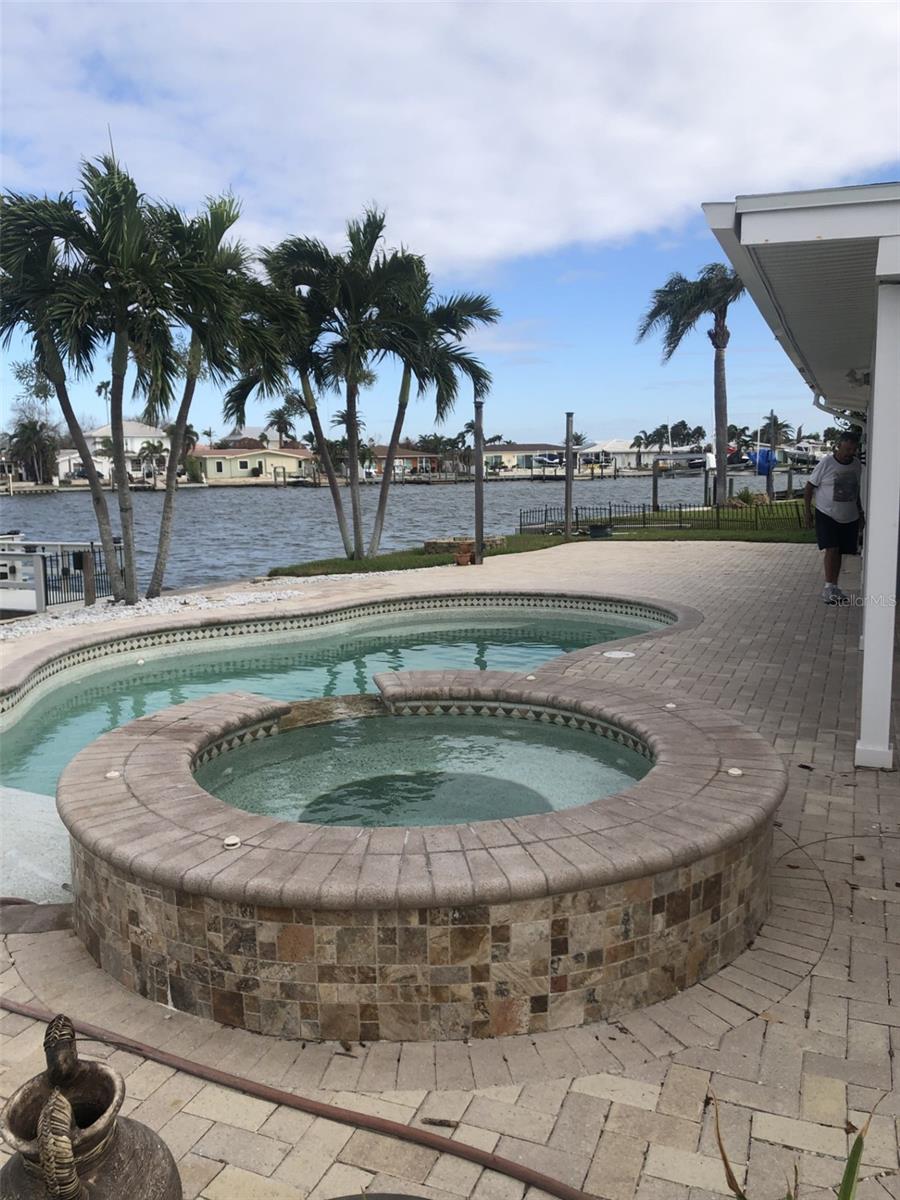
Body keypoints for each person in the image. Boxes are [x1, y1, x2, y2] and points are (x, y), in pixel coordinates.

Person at [804, 432, 865, 604]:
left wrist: (860, 512)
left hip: (849, 515)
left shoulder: (856, 465)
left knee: (841, 552)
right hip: (826, 513)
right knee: (831, 549)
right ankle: (828, 588)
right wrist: (807, 512)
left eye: (853, 449)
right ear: (839, 446)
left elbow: (856, 491)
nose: (850, 453)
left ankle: (834, 587)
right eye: (847, 449)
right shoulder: (827, 462)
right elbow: (809, 488)